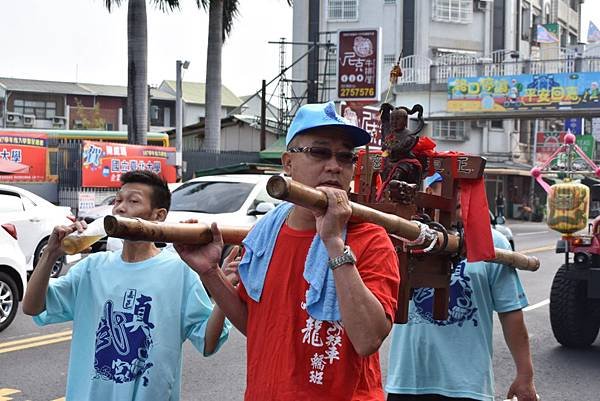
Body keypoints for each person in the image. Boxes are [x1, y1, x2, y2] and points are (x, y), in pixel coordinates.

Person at [176, 101, 401, 400]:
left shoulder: (371, 239)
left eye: (346, 157)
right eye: (320, 152)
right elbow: (256, 325)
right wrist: (210, 273)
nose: (335, 165)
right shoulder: (266, 235)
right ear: (288, 163)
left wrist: (333, 242)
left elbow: (367, 339)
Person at [22, 170, 230, 401]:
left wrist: (222, 286)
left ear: (158, 215)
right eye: (118, 200)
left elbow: (209, 343)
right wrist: (51, 254)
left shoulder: (178, 270)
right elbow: (32, 307)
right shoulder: (91, 268)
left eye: (133, 201)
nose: (120, 208)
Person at [385, 174, 537, 401]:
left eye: (461, 187)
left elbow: (511, 314)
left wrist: (525, 374)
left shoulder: (492, 243)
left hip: (467, 385)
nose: (454, 194)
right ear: (427, 194)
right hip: (407, 381)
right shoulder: (405, 236)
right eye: (444, 186)